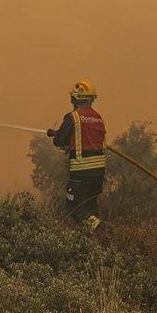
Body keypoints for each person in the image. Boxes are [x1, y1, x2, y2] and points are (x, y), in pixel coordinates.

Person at [46, 79, 107, 233]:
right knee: (90, 207)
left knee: (75, 209)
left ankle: (101, 230)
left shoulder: (73, 117)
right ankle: (97, 241)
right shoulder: (98, 118)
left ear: (75, 98)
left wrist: (57, 136)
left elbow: (59, 140)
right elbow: (87, 141)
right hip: (98, 174)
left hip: (81, 173)